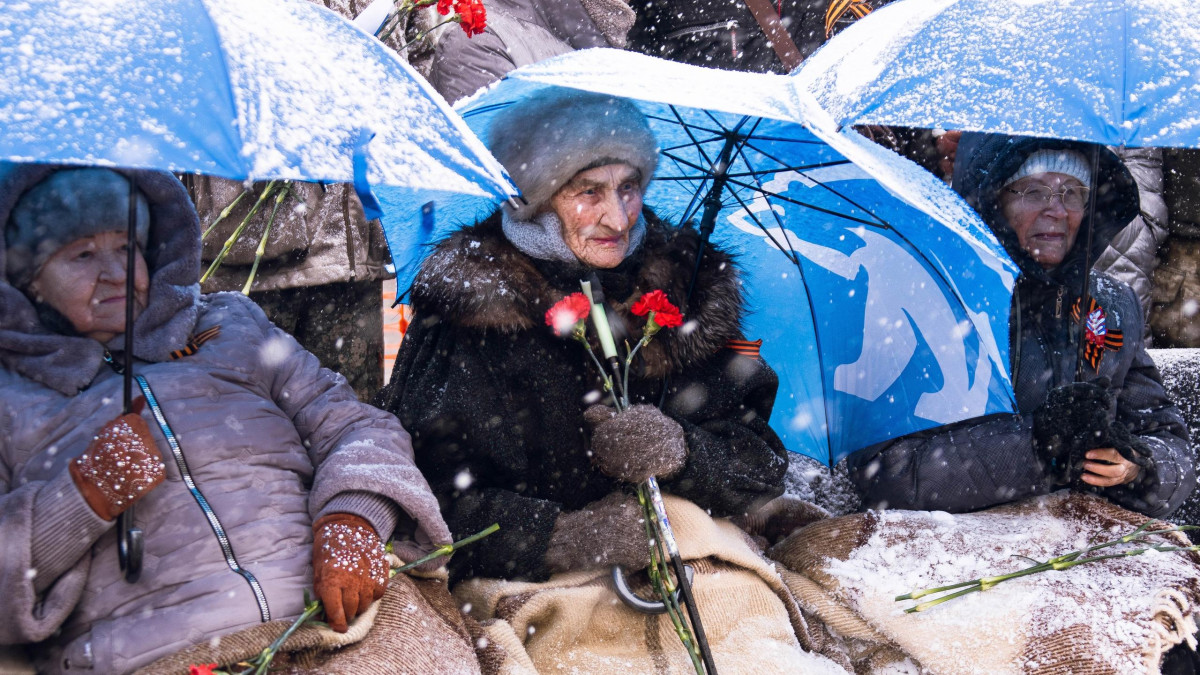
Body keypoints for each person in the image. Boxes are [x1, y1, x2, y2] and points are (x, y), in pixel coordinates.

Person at [0, 164, 455, 674]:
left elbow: (356, 427)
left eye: (127, 248)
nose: (117, 273)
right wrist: (81, 499)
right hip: (161, 657)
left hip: (332, 624)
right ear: (27, 281)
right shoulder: (9, 398)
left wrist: (352, 519)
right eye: (83, 255)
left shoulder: (232, 326)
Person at [375, 90, 790, 584]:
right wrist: (561, 537)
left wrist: (682, 452)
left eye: (629, 187)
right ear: (535, 199)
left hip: (685, 556)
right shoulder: (472, 308)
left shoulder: (687, 285)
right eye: (589, 192)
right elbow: (421, 498)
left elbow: (760, 464)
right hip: (533, 584)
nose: (618, 218)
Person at [847, 134, 1193, 518]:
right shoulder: (932, 300)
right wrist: (1037, 446)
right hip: (958, 545)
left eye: (1072, 193)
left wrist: (1136, 469)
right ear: (992, 200)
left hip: (1079, 539)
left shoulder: (1113, 305)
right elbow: (889, 472)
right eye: (1033, 191)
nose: (1057, 210)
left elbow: (1170, 444)